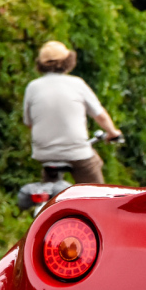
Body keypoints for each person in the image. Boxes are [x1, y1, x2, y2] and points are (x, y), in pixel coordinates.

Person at [23, 40, 121, 184]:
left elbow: (29, 123)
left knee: (49, 183)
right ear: (68, 61)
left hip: (43, 153)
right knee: (96, 190)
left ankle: (46, 201)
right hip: (76, 151)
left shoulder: (32, 87)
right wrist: (112, 132)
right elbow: (100, 115)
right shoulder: (77, 84)